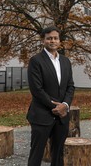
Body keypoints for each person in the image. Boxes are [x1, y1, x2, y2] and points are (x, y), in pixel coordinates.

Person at [27, 26, 75, 166]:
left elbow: (70, 86)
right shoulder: (36, 61)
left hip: (61, 117)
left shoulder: (65, 61)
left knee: (58, 154)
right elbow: (37, 90)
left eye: (55, 38)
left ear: (59, 41)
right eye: (49, 38)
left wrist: (65, 106)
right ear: (43, 41)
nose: (52, 41)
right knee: (36, 155)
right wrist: (56, 106)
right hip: (42, 115)